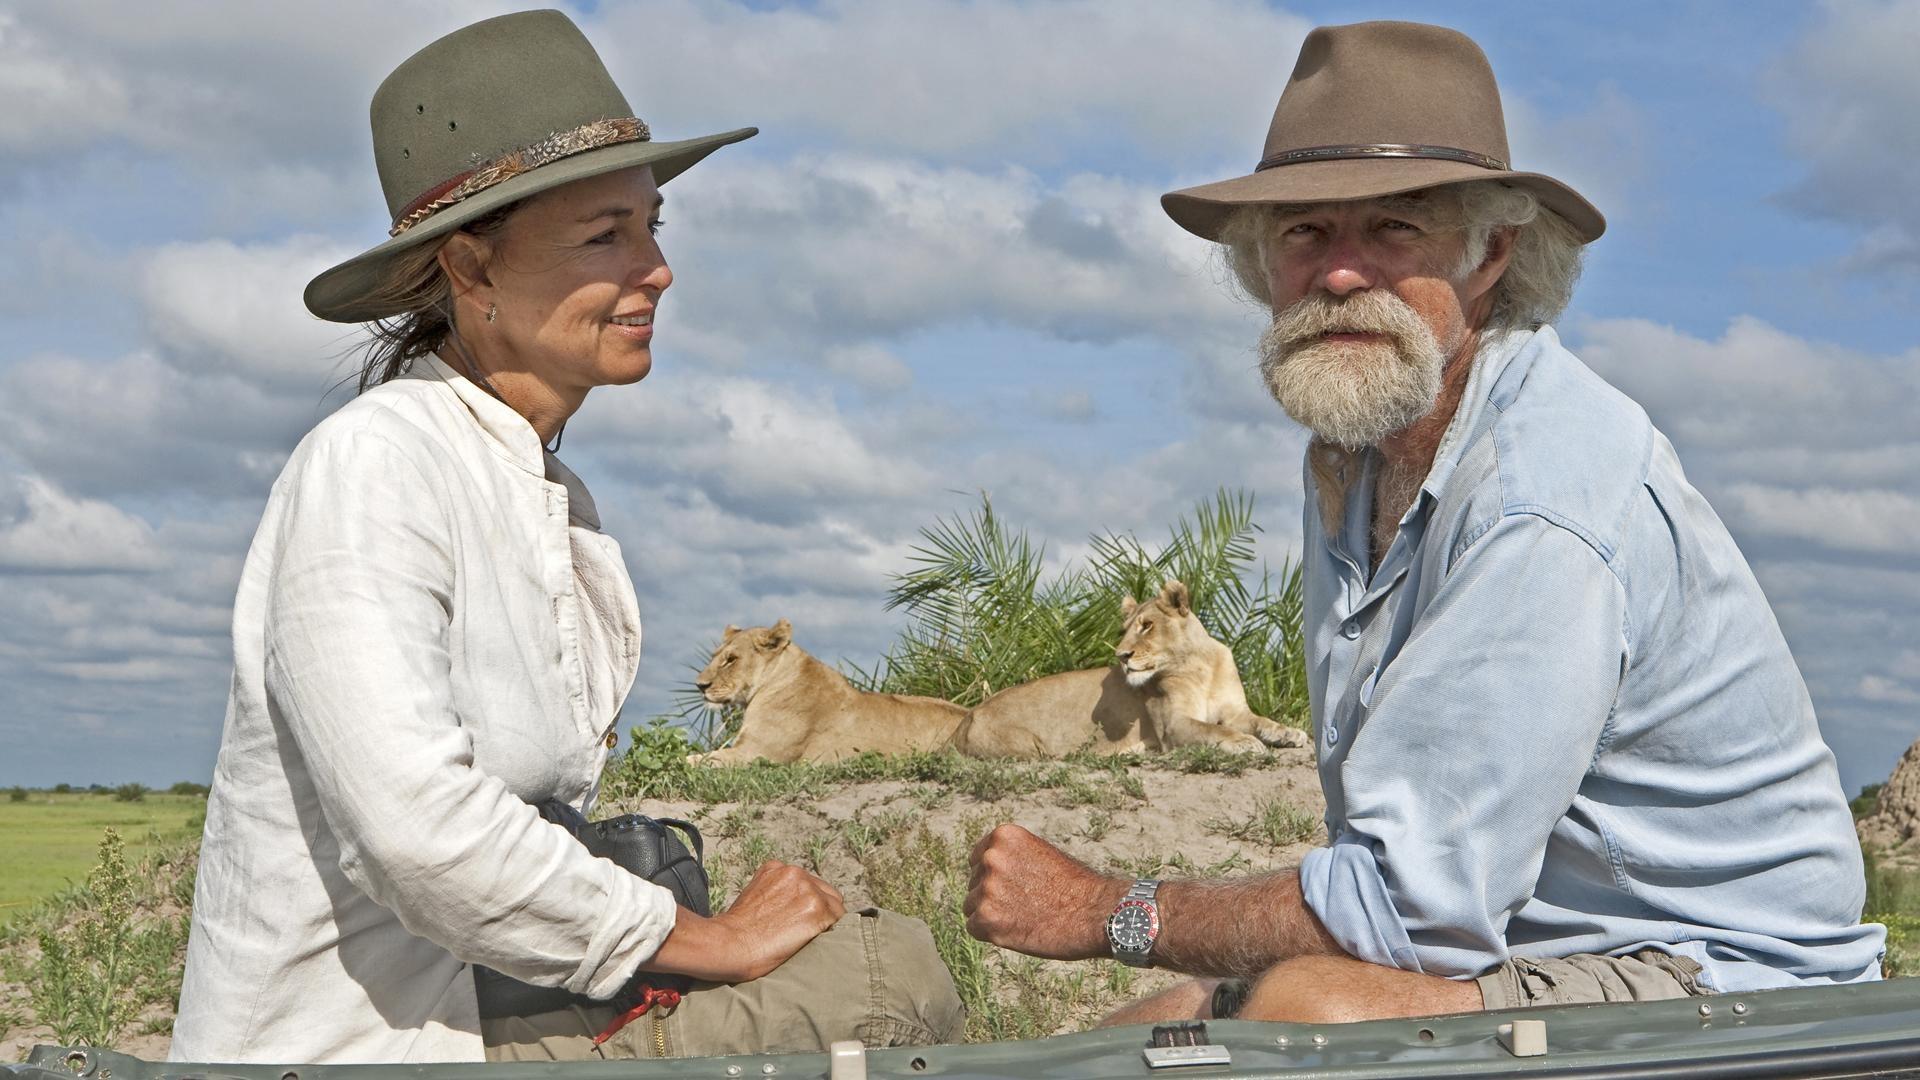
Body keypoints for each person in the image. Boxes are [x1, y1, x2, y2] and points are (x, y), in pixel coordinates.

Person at [964, 20, 1885, 1023]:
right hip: (1532, 956)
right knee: (1153, 1030)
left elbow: (1405, 910)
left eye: (1396, 228)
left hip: (1736, 984)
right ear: (1261, 265)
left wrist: (1110, 910)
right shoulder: (1356, 454)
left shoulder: (1539, 496)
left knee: (1310, 1015)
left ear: (1493, 253)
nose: (1342, 273)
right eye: (1304, 233)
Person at [171, 11, 959, 1064]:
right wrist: (701, 940)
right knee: (883, 979)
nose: (657, 270)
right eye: (606, 236)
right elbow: (416, 831)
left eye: (654, 226)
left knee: (873, 948)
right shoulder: (372, 465)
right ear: (471, 269)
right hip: (369, 1048)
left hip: (481, 1005)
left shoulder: (540, 487)